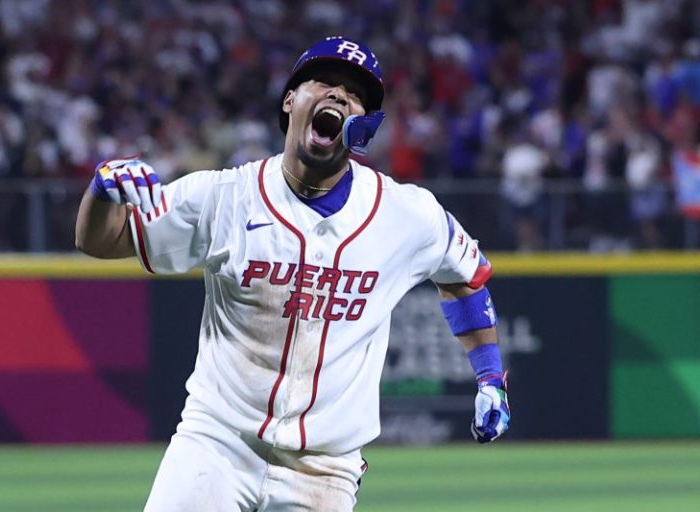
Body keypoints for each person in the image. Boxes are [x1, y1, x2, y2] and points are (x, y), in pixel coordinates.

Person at [75, 36, 510, 512]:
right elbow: (100, 240)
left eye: (355, 94)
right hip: (217, 444)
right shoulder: (224, 197)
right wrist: (101, 192)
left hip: (326, 469)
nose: (340, 96)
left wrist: (490, 377)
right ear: (289, 100)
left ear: (364, 125)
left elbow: (465, 275)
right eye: (324, 82)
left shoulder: (406, 214)